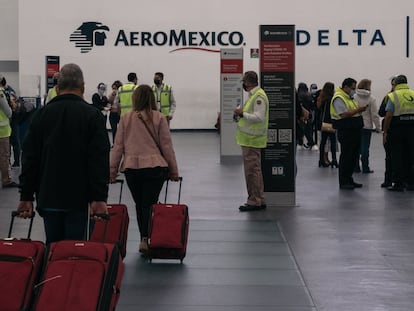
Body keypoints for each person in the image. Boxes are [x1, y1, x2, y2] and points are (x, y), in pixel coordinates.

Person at [16, 63, 110, 244]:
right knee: (75, 253)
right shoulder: (93, 116)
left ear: (57, 89)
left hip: (49, 197)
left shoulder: (41, 115)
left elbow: (29, 158)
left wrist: (26, 196)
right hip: (80, 199)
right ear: (83, 87)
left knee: (53, 250)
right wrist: (99, 198)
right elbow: (98, 160)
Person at [110, 84, 179, 254]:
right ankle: (150, 238)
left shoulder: (125, 118)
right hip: (155, 168)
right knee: (150, 204)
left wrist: (112, 172)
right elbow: (167, 146)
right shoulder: (159, 117)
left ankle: (144, 238)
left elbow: (118, 147)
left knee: (140, 204)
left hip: (132, 168)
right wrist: (174, 171)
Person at [233, 71, 269, 211]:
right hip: (250, 140)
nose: (243, 84)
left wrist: (242, 113)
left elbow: (259, 117)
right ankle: (258, 198)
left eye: (244, 81)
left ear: (248, 82)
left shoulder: (258, 96)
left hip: (252, 140)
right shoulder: (254, 95)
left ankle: (254, 200)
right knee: (254, 170)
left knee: (252, 172)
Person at [330, 77, 367, 190]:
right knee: (346, 156)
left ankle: (349, 179)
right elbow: (343, 114)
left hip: (354, 130)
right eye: (352, 88)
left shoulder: (350, 98)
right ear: (345, 87)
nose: (354, 91)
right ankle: (344, 181)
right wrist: (358, 110)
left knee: (353, 156)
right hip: (346, 131)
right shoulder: (339, 98)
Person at [383, 74, 414, 191]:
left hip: (397, 130)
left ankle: (398, 183)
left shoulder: (392, 96)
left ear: (396, 83)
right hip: (412, 130)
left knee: (397, 156)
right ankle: (411, 182)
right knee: (411, 155)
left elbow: (389, 115)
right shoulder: (413, 94)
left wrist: (385, 131)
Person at [353, 79, 381, 174]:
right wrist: (378, 127)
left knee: (355, 146)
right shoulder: (371, 99)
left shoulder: (353, 97)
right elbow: (374, 115)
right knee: (365, 148)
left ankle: (356, 167)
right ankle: (365, 167)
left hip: (355, 125)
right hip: (367, 126)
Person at [0, 74, 18, 188]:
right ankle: (6, 180)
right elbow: (8, 111)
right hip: (2, 130)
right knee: (4, 156)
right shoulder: (1, 94)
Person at [378, 77, 396, 188]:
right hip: (404, 129)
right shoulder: (410, 95)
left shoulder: (388, 97)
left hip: (392, 128)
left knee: (390, 156)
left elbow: (381, 113)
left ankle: (389, 180)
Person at [317, 82, 337, 168]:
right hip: (331, 122)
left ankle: (321, 160)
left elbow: (319, 109)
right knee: (333, 142)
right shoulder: (332, 99)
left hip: (323, 123)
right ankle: (334, 160)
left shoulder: (321, 98)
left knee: (323, 142)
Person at [297, 82, 318, 150]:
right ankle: (312, 144)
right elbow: (312, 107)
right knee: (308, 130)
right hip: (308, 115)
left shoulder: (297, 95)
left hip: (299, 116)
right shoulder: (308, 95)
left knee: (300, 131)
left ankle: (300, 144)